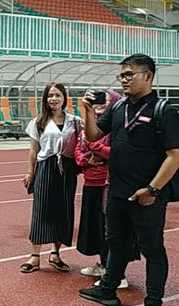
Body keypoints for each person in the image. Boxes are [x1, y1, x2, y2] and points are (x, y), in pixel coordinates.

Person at [79, 54, 179, 306]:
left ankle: (154, 300)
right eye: (121, 75)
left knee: (151, 248)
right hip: (117, 192)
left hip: (147, 196)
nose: (124, 79)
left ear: (148, 76)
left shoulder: (163, 110)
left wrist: (152, 189)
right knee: (116, 242)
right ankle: (107, 290)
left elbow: (174, 156)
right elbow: (93, 135)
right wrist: (88, 112)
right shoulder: (119, 107)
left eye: (129, 74)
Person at [20, 82, 81, 274]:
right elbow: (33, 150)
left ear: (64, 98)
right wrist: (31, 172)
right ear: (45, 99)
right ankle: (34, 256)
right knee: (41, 210)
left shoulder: (76, 121)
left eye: (57, 95)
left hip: (67, 169)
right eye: (50, 96)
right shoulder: (38, 122)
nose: (53, 99)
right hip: (46, 167)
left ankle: (55, 253)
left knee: (64, 210)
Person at [76, 89, 133, 288]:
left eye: (106, 100)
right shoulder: (90, 124)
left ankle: (118, 274)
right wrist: (86, 160)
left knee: (113, 230)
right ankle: (103, 264)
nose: (100, 102)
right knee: (98, 229)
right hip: (91, 184)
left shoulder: (117, 124)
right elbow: (79, 148)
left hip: (109, 185)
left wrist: (95, 147)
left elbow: (116, 153)